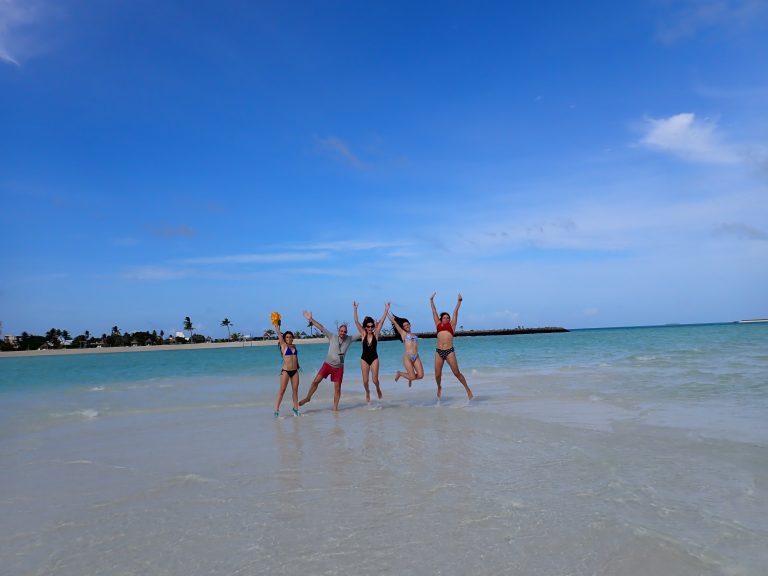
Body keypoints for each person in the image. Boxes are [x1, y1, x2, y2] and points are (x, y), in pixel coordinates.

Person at [299, 310, 360, 411]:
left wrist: (374, 326)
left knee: (337, 388)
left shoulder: (349, 339)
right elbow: (321, 327)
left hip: (339, 368)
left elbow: (362, 333)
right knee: (315, 382)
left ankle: (335, 408)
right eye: (341, 331)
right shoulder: (332, 336)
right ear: (338, 331)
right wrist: (311, 319)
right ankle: (308, 398)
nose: (343, 333)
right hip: (327, 365)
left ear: (347, 332)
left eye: (345, 331)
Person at [430, 292, 473, 400]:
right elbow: (434, 311)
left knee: (456, 372)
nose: (447, 319)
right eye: (444, 317)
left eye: (448, 318)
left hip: (449, 351)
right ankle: (439, 386)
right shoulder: (438, 324)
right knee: (437, 375)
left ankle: (467, 389)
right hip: (439, 352)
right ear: (441, 319)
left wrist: (459, 302)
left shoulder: (452, 325)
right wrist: (431, 301)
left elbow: (455, 312)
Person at [353, 301, 390, 402]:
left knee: (374, 380)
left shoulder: (376, 334)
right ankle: (367, 392)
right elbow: (356, 322)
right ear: (365, 327)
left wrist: (386, 310)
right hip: (364, 359)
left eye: (372, 326)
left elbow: (381, 322)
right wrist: (355, 309)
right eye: (368, 326)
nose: (370, 328)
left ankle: (378, 388)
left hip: (374, 359)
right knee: (365, 381)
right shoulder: (363, 334)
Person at [388, 310, 424, 386]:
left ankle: (410, 377)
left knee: (421, 376)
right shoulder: (403, 334)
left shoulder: (413, 334)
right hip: (407, 357)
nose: (406, 326)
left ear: (410, 324)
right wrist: (386, 311)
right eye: (404, 326)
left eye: (407, 324)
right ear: (403, 327)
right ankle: (400, 373)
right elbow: (394, 322)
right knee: (413, 377)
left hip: (416, 356)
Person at [274, 326, 301, 417]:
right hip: (286, 371)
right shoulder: (283, 345)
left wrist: (298, 365)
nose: (289, 338)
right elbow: (278, 333)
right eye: (287, 337)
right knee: (282, 391)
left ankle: (296, 409)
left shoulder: (294, 346)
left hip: (295, 371)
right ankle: (276, 411)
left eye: (290, 337)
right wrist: (276, 326)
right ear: (285, 339)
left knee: (295, 391)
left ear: (292, 338)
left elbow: (295, 357)